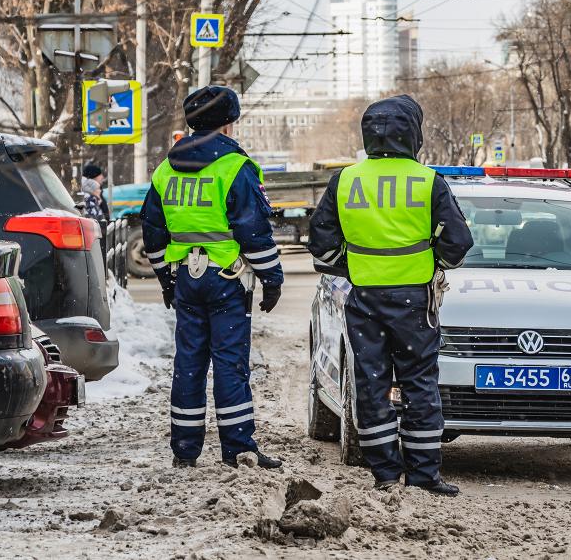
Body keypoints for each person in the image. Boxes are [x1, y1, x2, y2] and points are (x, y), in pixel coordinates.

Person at [308, 95, 473, 496]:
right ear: (412, 135)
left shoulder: (345, 180)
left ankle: (384, 472)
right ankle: (424, 475)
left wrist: (353, 266)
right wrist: (434, 263)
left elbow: (321, 243)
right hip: (414, 303)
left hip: (364, 301)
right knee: (419, 384)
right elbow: (458, 242)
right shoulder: (427, 181)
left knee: (371, 383)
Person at [140, 86, 284, 469]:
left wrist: (164, 279)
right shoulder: (235, 167)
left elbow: (152, 230)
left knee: (189, 362)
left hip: (186, 277)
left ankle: (185, 451)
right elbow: (253, 231)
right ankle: (238, 448)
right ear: (227, 124)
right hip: (226, 279)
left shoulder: (165, 170)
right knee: (230, 363)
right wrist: (272, 278)